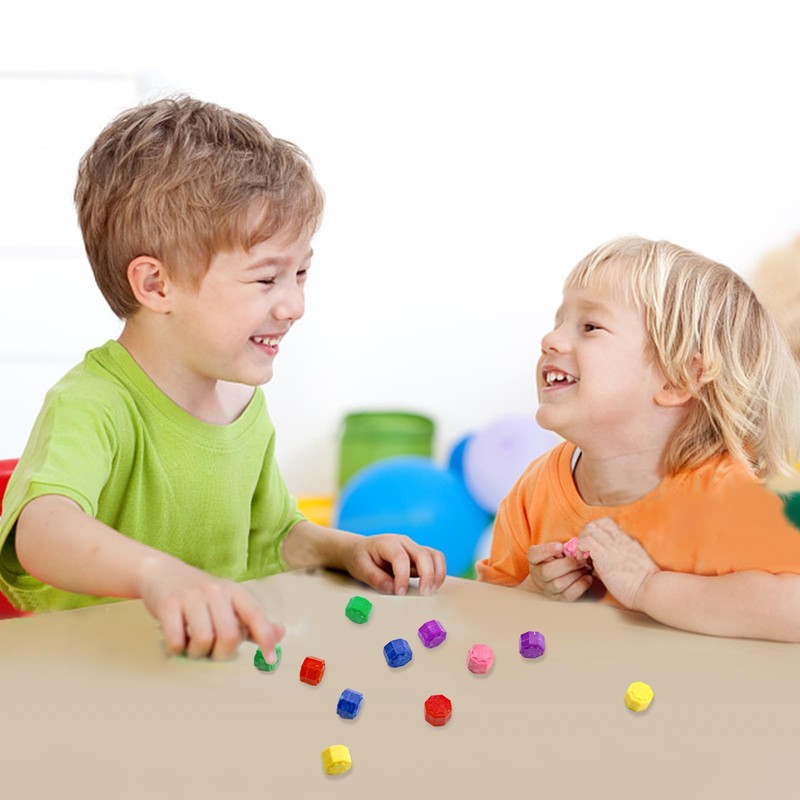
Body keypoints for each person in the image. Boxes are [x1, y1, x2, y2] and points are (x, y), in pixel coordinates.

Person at [0, 96, 446, 659]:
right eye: (265, 279)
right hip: (93, 678)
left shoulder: (243, 402)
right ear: (156, 285)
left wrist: (346, 550)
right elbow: (41, 532)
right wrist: (159, 575)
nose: (295, 306)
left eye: (301, 272)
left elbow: (273, 535)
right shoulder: (93, 403)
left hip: (203, 679)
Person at [477, 236, 800, 642]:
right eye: (559, 322)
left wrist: (648, 587)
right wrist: (533, 592)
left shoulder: (726, 494)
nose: (550, 339)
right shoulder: (534, 490)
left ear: (678, 380)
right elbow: (489, 615)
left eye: (590, 327)